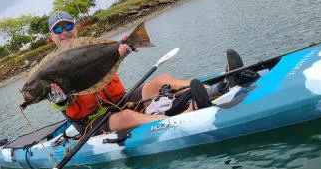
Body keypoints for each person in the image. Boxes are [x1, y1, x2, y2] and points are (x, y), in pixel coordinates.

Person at [44, 11, 246, 134]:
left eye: (67, 26)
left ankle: (220, 86)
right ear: (51, 37)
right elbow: (55, 102)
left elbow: (105, 70)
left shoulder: (91, 48)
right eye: (58, 30)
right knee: (127, 117)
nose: (64, 32)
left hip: (119, 100)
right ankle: (184, 119)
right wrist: (60, 101)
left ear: (76, 28)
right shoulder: (50, 68)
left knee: (162, 80)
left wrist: (122, 53)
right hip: (93, 121)